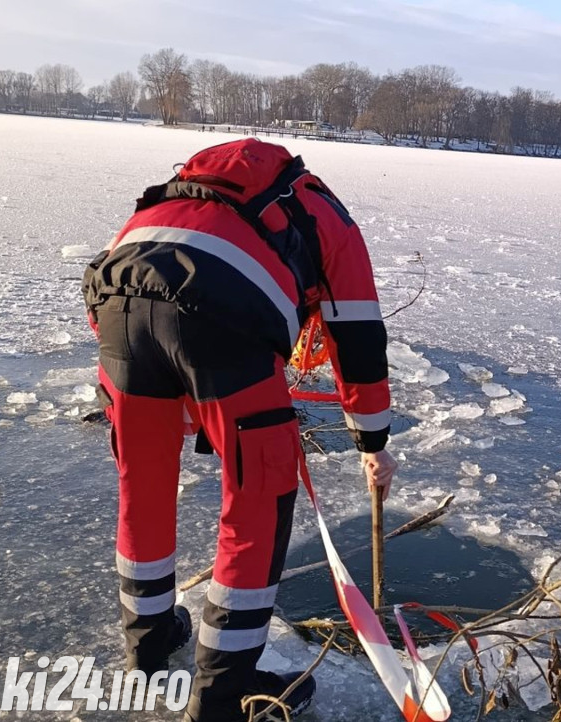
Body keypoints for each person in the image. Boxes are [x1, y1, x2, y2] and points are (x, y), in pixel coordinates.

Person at [82, 138, 397, 721]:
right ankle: (226, 693)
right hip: (226, 319)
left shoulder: (171, 196)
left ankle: (148, 643)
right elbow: (356, 331)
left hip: (118, 312)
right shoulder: (322, 211)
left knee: (143, 483)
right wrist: (372, 440)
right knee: (259, 494)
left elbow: (105, 281)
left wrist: (159, 395)